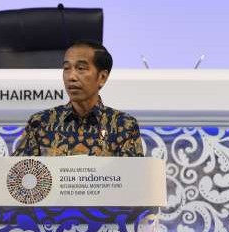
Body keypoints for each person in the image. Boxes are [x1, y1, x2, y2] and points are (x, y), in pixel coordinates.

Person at [12, 41, 143, 157]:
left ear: (102, 77)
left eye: (80, 68)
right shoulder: (40, 123)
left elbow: (132, 179)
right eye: (66, 68)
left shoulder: (124, 125)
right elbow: (18, 174)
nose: (71, 76)